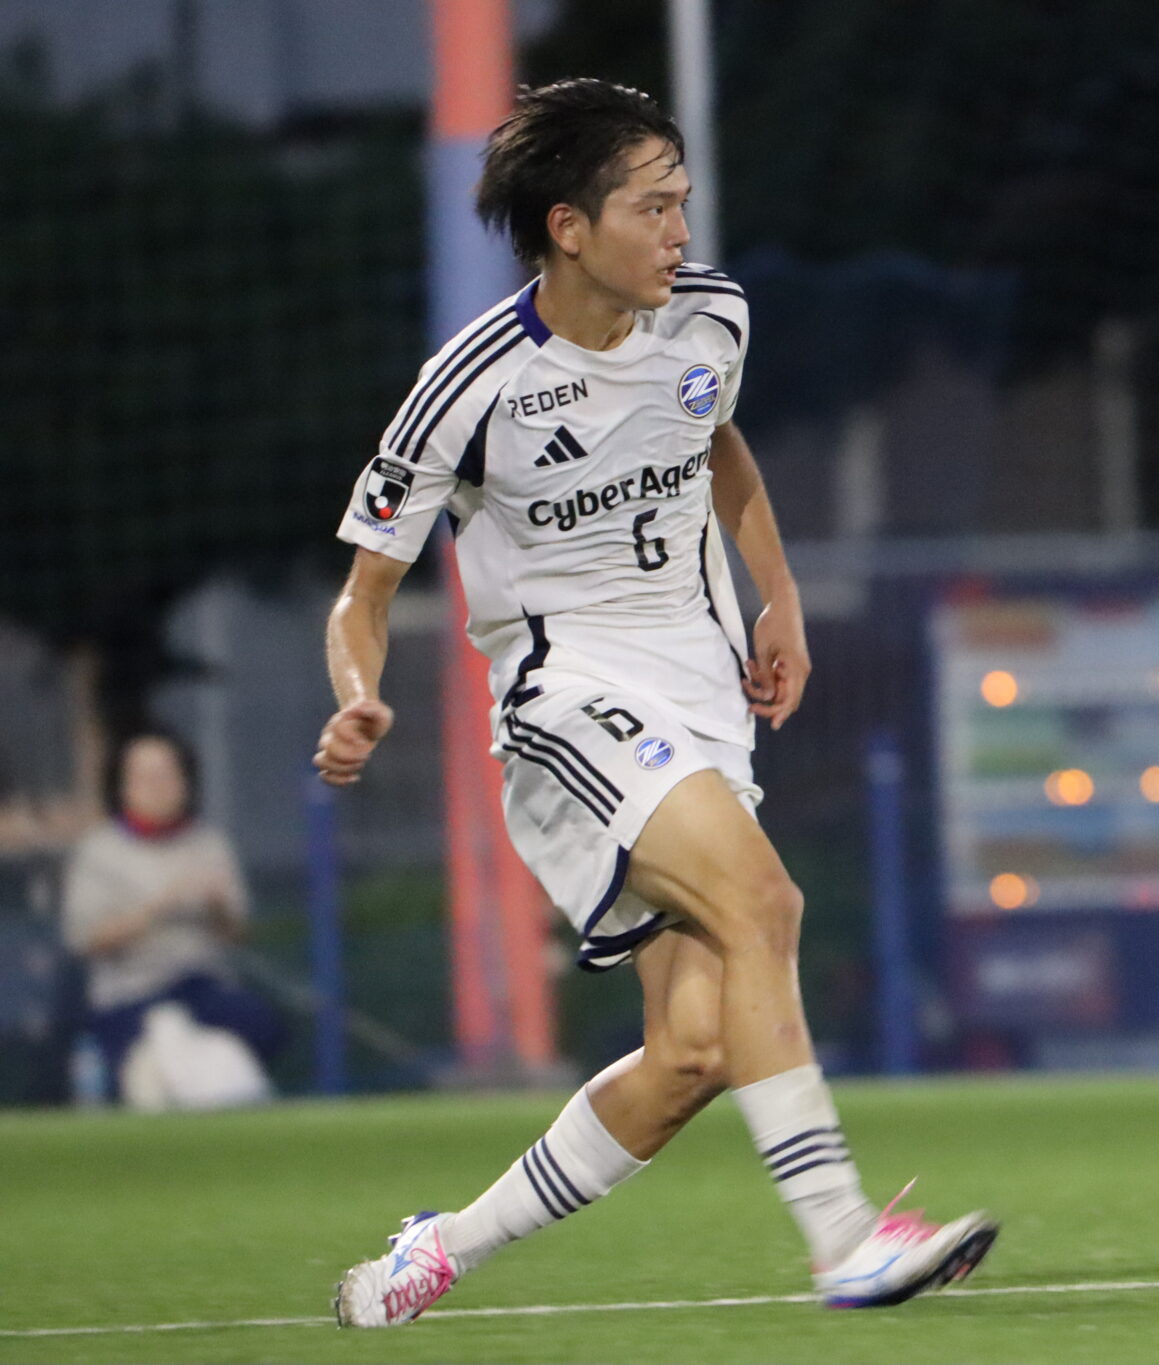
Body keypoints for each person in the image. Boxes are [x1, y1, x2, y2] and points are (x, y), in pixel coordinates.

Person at [317, 80, 996, 1327]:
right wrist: (358, 696)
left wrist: (778, 597)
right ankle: (845, 1239)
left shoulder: (710, 318)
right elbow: (363, 594)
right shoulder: (467, 386)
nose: (681, 230)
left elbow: (715, 443)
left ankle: (437, 1250)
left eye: (682, 202)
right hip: (566, 698)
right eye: (652, 206)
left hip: (701, 700)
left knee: (693, 1053)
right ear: (569, 227)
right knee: (763, 901)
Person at [61, 731, 280, 1105]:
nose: (158, 786)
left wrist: (216, 906)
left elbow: (238, 933)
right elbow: (84, 940)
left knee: (262, 1026)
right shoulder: (99, 851)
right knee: (156, 1052)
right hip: (131, 994)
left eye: (167, 774)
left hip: (203, 986)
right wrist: (160, 906)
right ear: (123, 785)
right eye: (145, 777)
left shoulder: (208, 844)